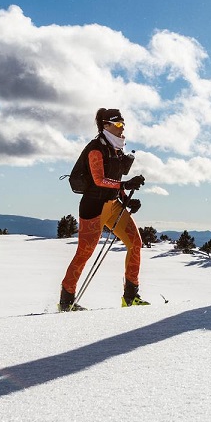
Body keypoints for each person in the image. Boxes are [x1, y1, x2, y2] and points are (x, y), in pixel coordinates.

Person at [60, 108, 149, 310]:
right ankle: (66, 301)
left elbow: (115, 179)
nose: (121, 129)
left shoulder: (115, 149)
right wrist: (124, 185)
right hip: (94, 206)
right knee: (84, 253)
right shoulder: (95, 149)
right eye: (117, 125)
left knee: (135, 243)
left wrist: (126, 199)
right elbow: (99, 180)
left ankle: (130, 297)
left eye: (123, 125)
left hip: (113, 204)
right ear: (105, 126)